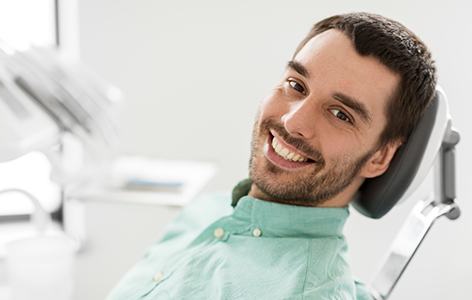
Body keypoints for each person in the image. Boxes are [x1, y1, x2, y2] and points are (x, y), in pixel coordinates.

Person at [107, 12, 436, 300]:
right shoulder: (207, 210)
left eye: (340, 114)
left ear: (379, 158)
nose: (293, 121)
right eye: (296, 85)